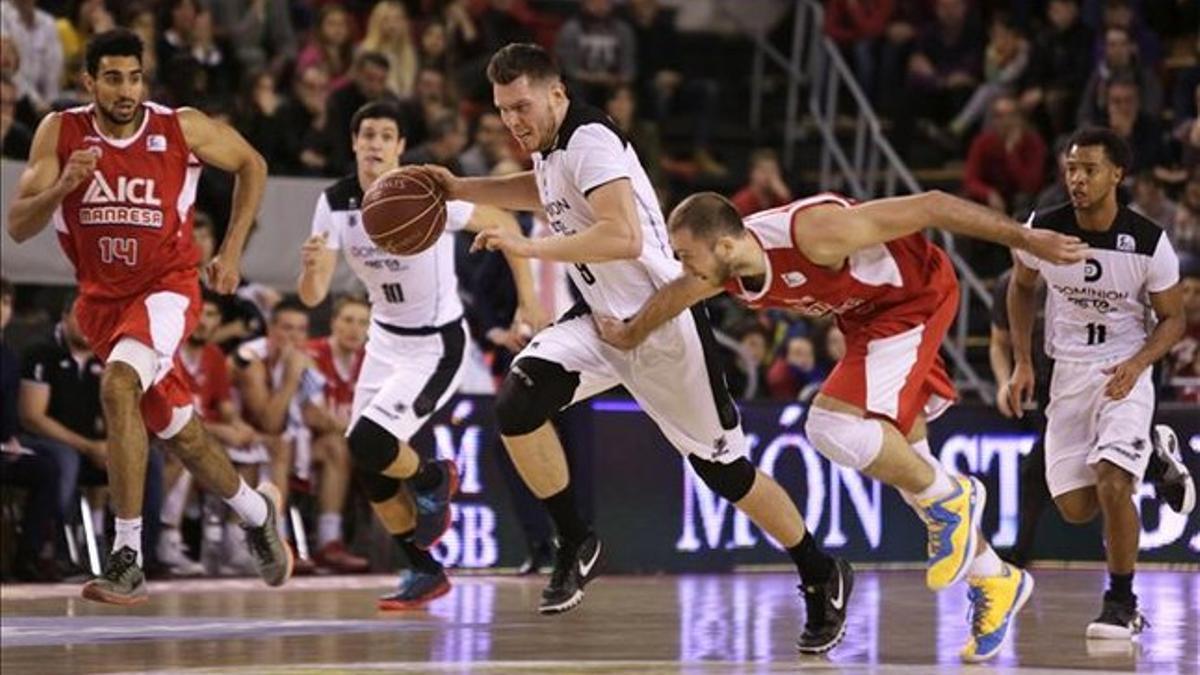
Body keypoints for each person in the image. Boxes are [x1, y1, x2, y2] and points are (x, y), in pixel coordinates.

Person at [422, 43, 853, 654]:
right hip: (600, 323)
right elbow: (544, 192)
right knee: (517, 404)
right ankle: (575, 539)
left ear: (557, 94)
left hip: (661, 322)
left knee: (726, 473)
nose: (513, 120)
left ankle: (818, 570)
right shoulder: (550, 148)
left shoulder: (589, 138)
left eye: (522, 106)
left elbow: (622, 237)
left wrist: (529, 251)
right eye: (502, 110)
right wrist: (460, 187)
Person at [595, 180, 1097, 660]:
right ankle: (996, 578)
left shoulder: (815, 232)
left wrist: (1026, 237)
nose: (681, 267)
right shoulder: (724, 271)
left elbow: (932, 205)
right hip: (866, 319)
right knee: (908, 460)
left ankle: (957, 497)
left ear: (724, 244)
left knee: (832, 427)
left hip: (915, 300)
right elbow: (679, 294)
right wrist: (631, 333)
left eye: (685, 255)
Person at [5, 29, 291, 604]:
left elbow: (251, 163)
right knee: (182, 436)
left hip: (167, 291)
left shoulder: (177, 126)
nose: (126, 89)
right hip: (101, 305)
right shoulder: (60, 132)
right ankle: (258, 512)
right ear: (88, 82)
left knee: (118, 383)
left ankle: (127, 553)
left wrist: (232, 250)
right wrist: (64, 184)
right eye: (112, 78)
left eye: (134, 77)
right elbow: (18, 224)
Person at [297, 101, 543, 608]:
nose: (375, 143)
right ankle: (424, 567)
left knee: (369, 439)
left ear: (400, 147)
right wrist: (309, 270)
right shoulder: (336, 202)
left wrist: (529, 298)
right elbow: (313, 295)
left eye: (387, 135)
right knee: (366, 460)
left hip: (437, 344)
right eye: (367, 134)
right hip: (384, 339)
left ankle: (435, 477)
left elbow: (503, 220)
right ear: (354, 143)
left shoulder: (423, 193)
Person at [1007, 127, 1196, 640]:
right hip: (1066, 373)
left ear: (1117, 174)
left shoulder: (1148, 242)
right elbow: (1020, 288)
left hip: (1123, 370)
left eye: (1089, 169)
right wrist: (1022, 363)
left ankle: (1121, 602)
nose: (1077, 179)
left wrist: (1138, 365)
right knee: (1075, 508)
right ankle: (1157, 454)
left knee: (1114, 483)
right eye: (1071, 169)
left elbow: (1173, 320)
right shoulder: (1044, 230)